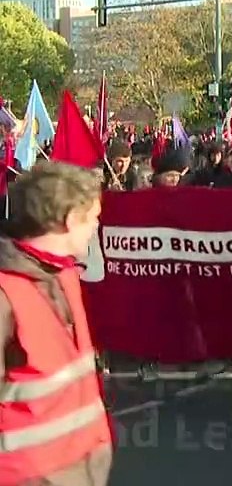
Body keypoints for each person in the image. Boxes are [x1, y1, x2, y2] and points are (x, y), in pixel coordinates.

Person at [0, 161, 114, 485]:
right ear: (68, 221)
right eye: (92, 218)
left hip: (81, 466)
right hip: (27, 475)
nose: (96, 226)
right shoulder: (5, 292)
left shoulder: (64, 274)